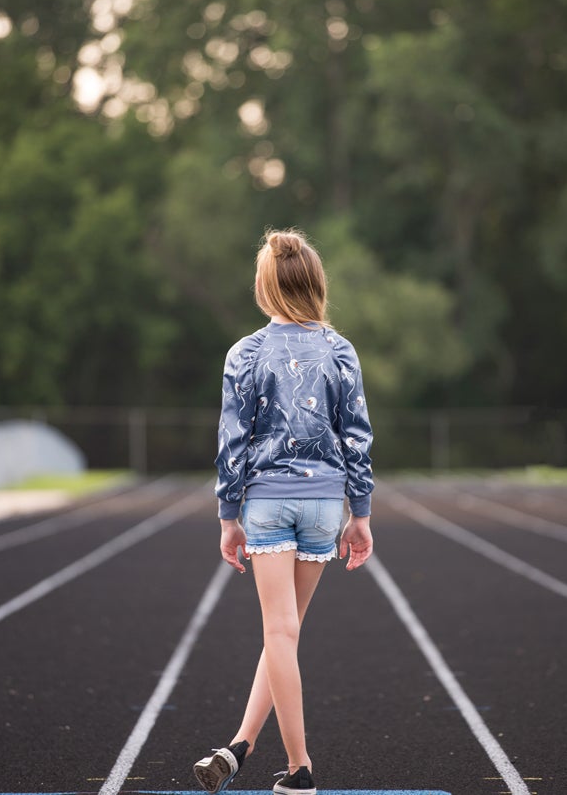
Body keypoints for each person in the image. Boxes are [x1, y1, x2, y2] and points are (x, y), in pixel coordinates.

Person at [193, 228, 374, 795]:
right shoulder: (339, 350)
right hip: (325, 503)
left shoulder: (244, 353)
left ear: (263, 286)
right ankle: (240, 746)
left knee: (280, 632)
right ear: (315, 283)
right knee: (286, 635)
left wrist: (228, 515)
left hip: (267, 503)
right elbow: (357, 436)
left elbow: (232, 442)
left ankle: (300, 769)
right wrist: (360, 512)